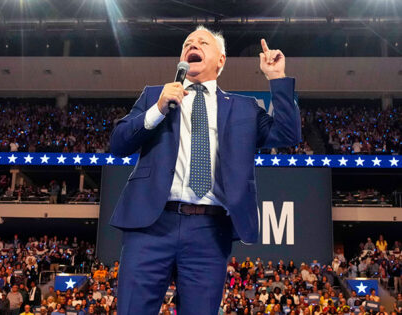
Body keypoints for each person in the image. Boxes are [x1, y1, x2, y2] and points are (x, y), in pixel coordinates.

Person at [110, 26, 300, 315]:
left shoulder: (244, 108)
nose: (192, 45)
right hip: (150, 226)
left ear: (221, 60)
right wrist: (158, 109)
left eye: (202, 42)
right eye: (187, 43)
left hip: (209, 231)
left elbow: (287, 134)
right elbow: (119, 143)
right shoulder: (154, 96)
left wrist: (277, 78)